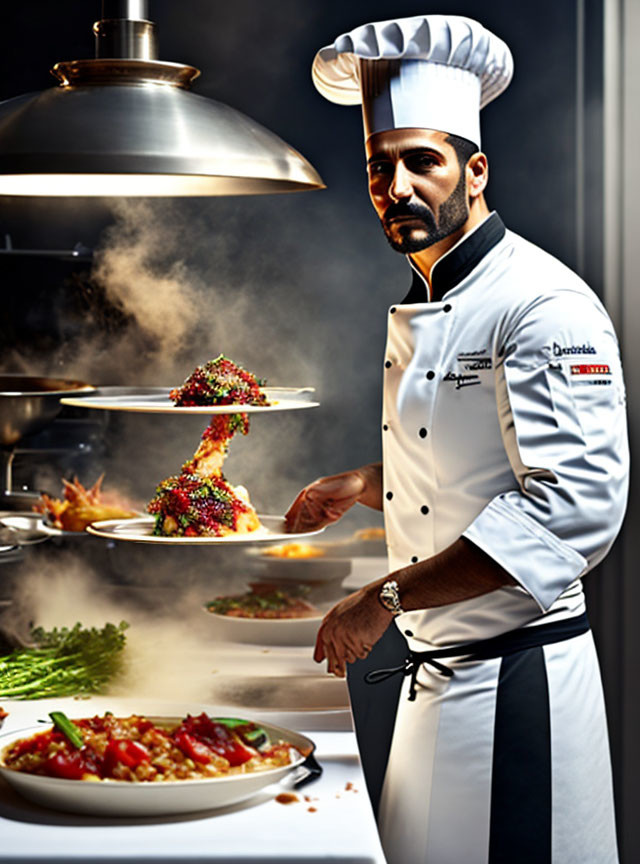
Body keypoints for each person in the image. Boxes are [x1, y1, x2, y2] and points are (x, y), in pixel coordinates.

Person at [285, 14, 628, 864]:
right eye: (378, 166)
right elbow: (479, 456)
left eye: (421, 161)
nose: (395, 185)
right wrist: (371, 481)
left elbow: (571, 511)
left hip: (519, 686)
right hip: (440, 680)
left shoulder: (543, 304)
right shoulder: (436, 291)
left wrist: (384, 600)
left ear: (475, 171)